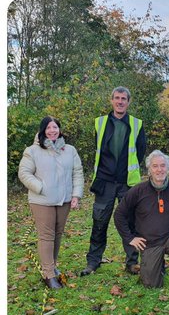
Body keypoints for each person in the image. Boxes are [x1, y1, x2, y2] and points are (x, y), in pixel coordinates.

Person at [113, 151, 169, 302]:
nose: (159, 170)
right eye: (155, 166)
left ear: (168, 169)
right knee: (150, 284)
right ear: (149, 170)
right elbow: (119, 214)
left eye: (163, 166)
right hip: (149, 242)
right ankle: (158, 266)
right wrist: (130, 238)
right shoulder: (138, 190)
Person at [81, 86, 147, 276]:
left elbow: (140, 151)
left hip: (127, 183)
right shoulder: (100, 123)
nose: (120, 101)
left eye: (123, 98)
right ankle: (93, 262)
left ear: (128, 102)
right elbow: (98, 148)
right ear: (111, 101)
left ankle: (132, 262)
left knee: (130, 222)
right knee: (99, 222)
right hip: (104, 182)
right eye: (117, 98)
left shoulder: (137, 124)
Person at [18, 116, 83, 290]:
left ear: (59, 130)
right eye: (48, 128)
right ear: (42, 131)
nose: (52, 130)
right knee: (46, 236)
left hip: (64, 201)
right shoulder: (33, 151)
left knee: (58, 234)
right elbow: (24, 173)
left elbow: (77, 173)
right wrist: (40, 187)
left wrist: (76, 194)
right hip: (42, 201)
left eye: (55, 127)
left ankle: (52, 265)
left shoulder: (69, 150)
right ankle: (48, 274)